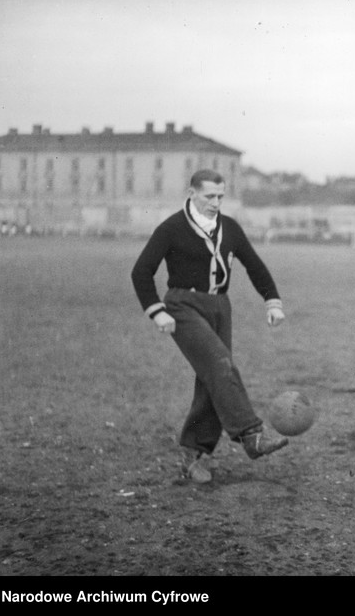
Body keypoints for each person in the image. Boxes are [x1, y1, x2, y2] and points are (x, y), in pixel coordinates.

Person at [131, 168, 289, 484]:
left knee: (211, 380)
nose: (216, 202)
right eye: (209, 196)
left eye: (220, 196)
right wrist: (157, 311)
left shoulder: (229, 227)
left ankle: (195, 455)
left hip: (220, 307)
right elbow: (141, 271)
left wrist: (272, 300)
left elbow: (254, 265)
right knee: (219, 364)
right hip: (182, 306)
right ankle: (251, 435)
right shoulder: (172, 228)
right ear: (191, 194)